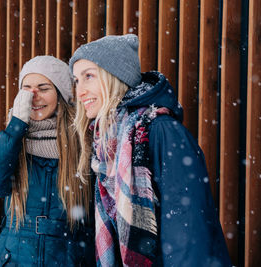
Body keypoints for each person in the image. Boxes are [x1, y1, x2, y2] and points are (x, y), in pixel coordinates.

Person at [69, 34, 232, 266]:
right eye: (76, 80)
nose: (80, 90)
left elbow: (188, 231)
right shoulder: (107, 143)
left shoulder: (161, 131)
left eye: (89, 76)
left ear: (115, 77)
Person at [0, 55, 95, 266]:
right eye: (27, 88)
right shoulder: (13, 140)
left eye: (43, 88)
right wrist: (16, 125)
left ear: (61, 94)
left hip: (67, 257)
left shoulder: (83, 140)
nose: (33, 96)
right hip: (14, 258)